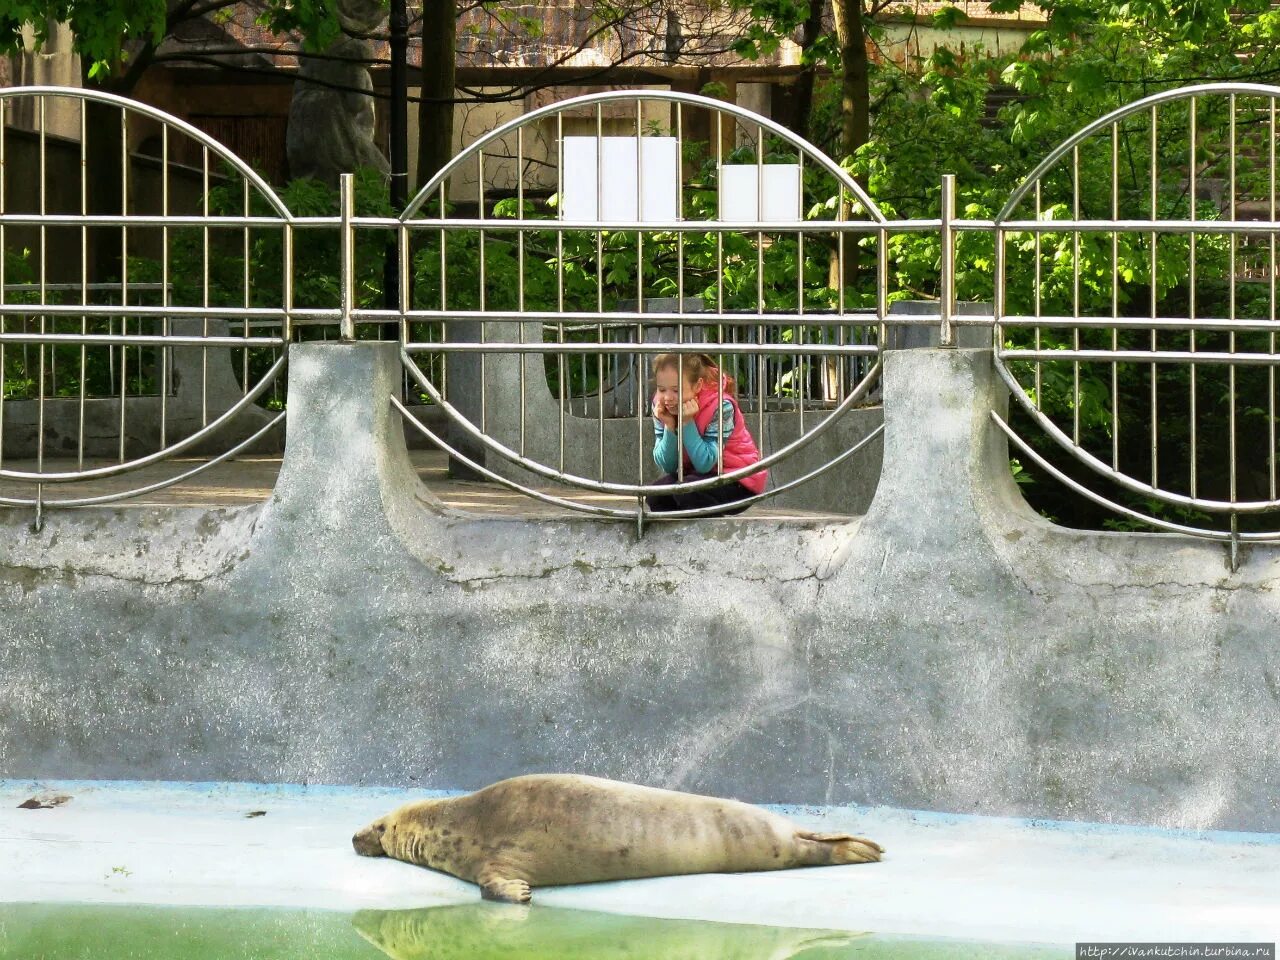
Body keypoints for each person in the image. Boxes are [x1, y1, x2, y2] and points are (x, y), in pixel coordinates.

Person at [646, 352, 768, 516]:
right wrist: (669, 426)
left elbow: (706, 463)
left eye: (676, 390)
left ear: (697, 386)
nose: (667, 398)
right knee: (656, 496)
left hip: (738, 480)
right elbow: (668, 465)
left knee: (688, 492)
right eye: (662, 389)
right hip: (697, 475)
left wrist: (687, 422)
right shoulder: (660, 405)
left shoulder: (721, 406)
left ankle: (716, 536)